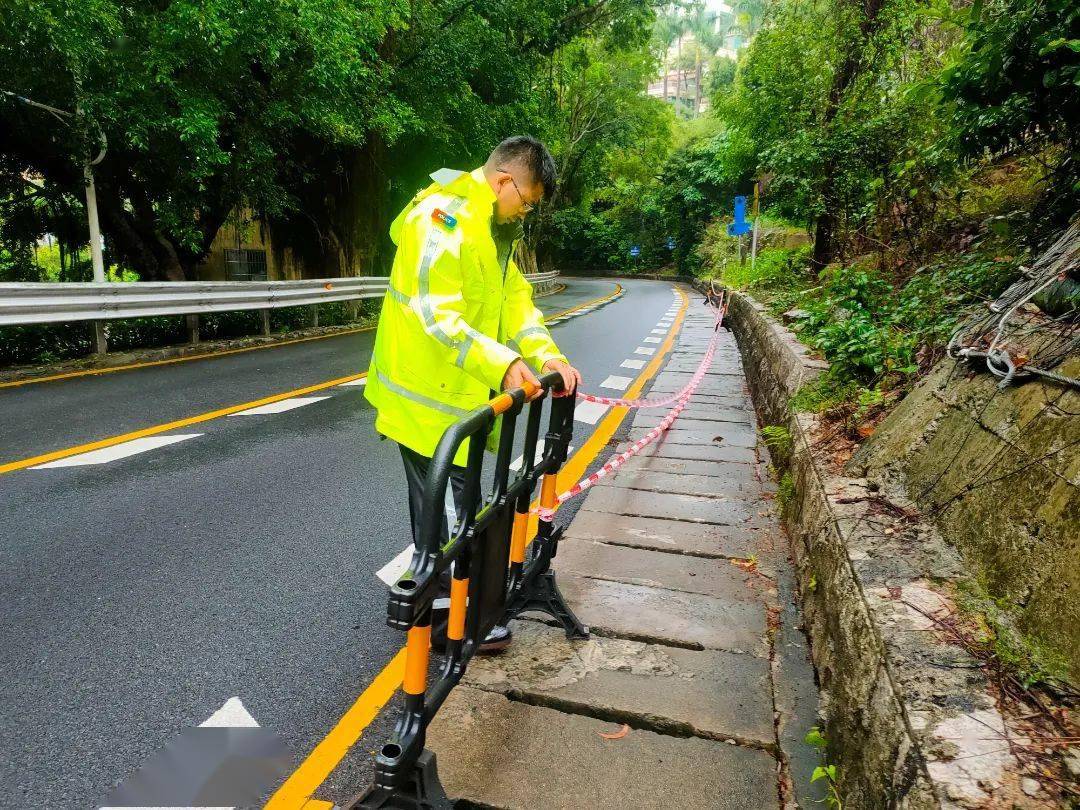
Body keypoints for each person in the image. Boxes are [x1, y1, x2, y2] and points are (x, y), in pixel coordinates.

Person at [365, 136, 582, 653]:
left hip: (457, 399)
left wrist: (547, 355)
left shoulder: (489, 230)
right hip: (422, 397)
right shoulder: (441, 218)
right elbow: (435, 313)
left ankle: (449, 605)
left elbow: (516, 302)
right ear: (504, 180)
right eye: (526, 201)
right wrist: (502, 363)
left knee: (451, 506)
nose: (525, 213)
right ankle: (447, 623)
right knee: (447, 510)